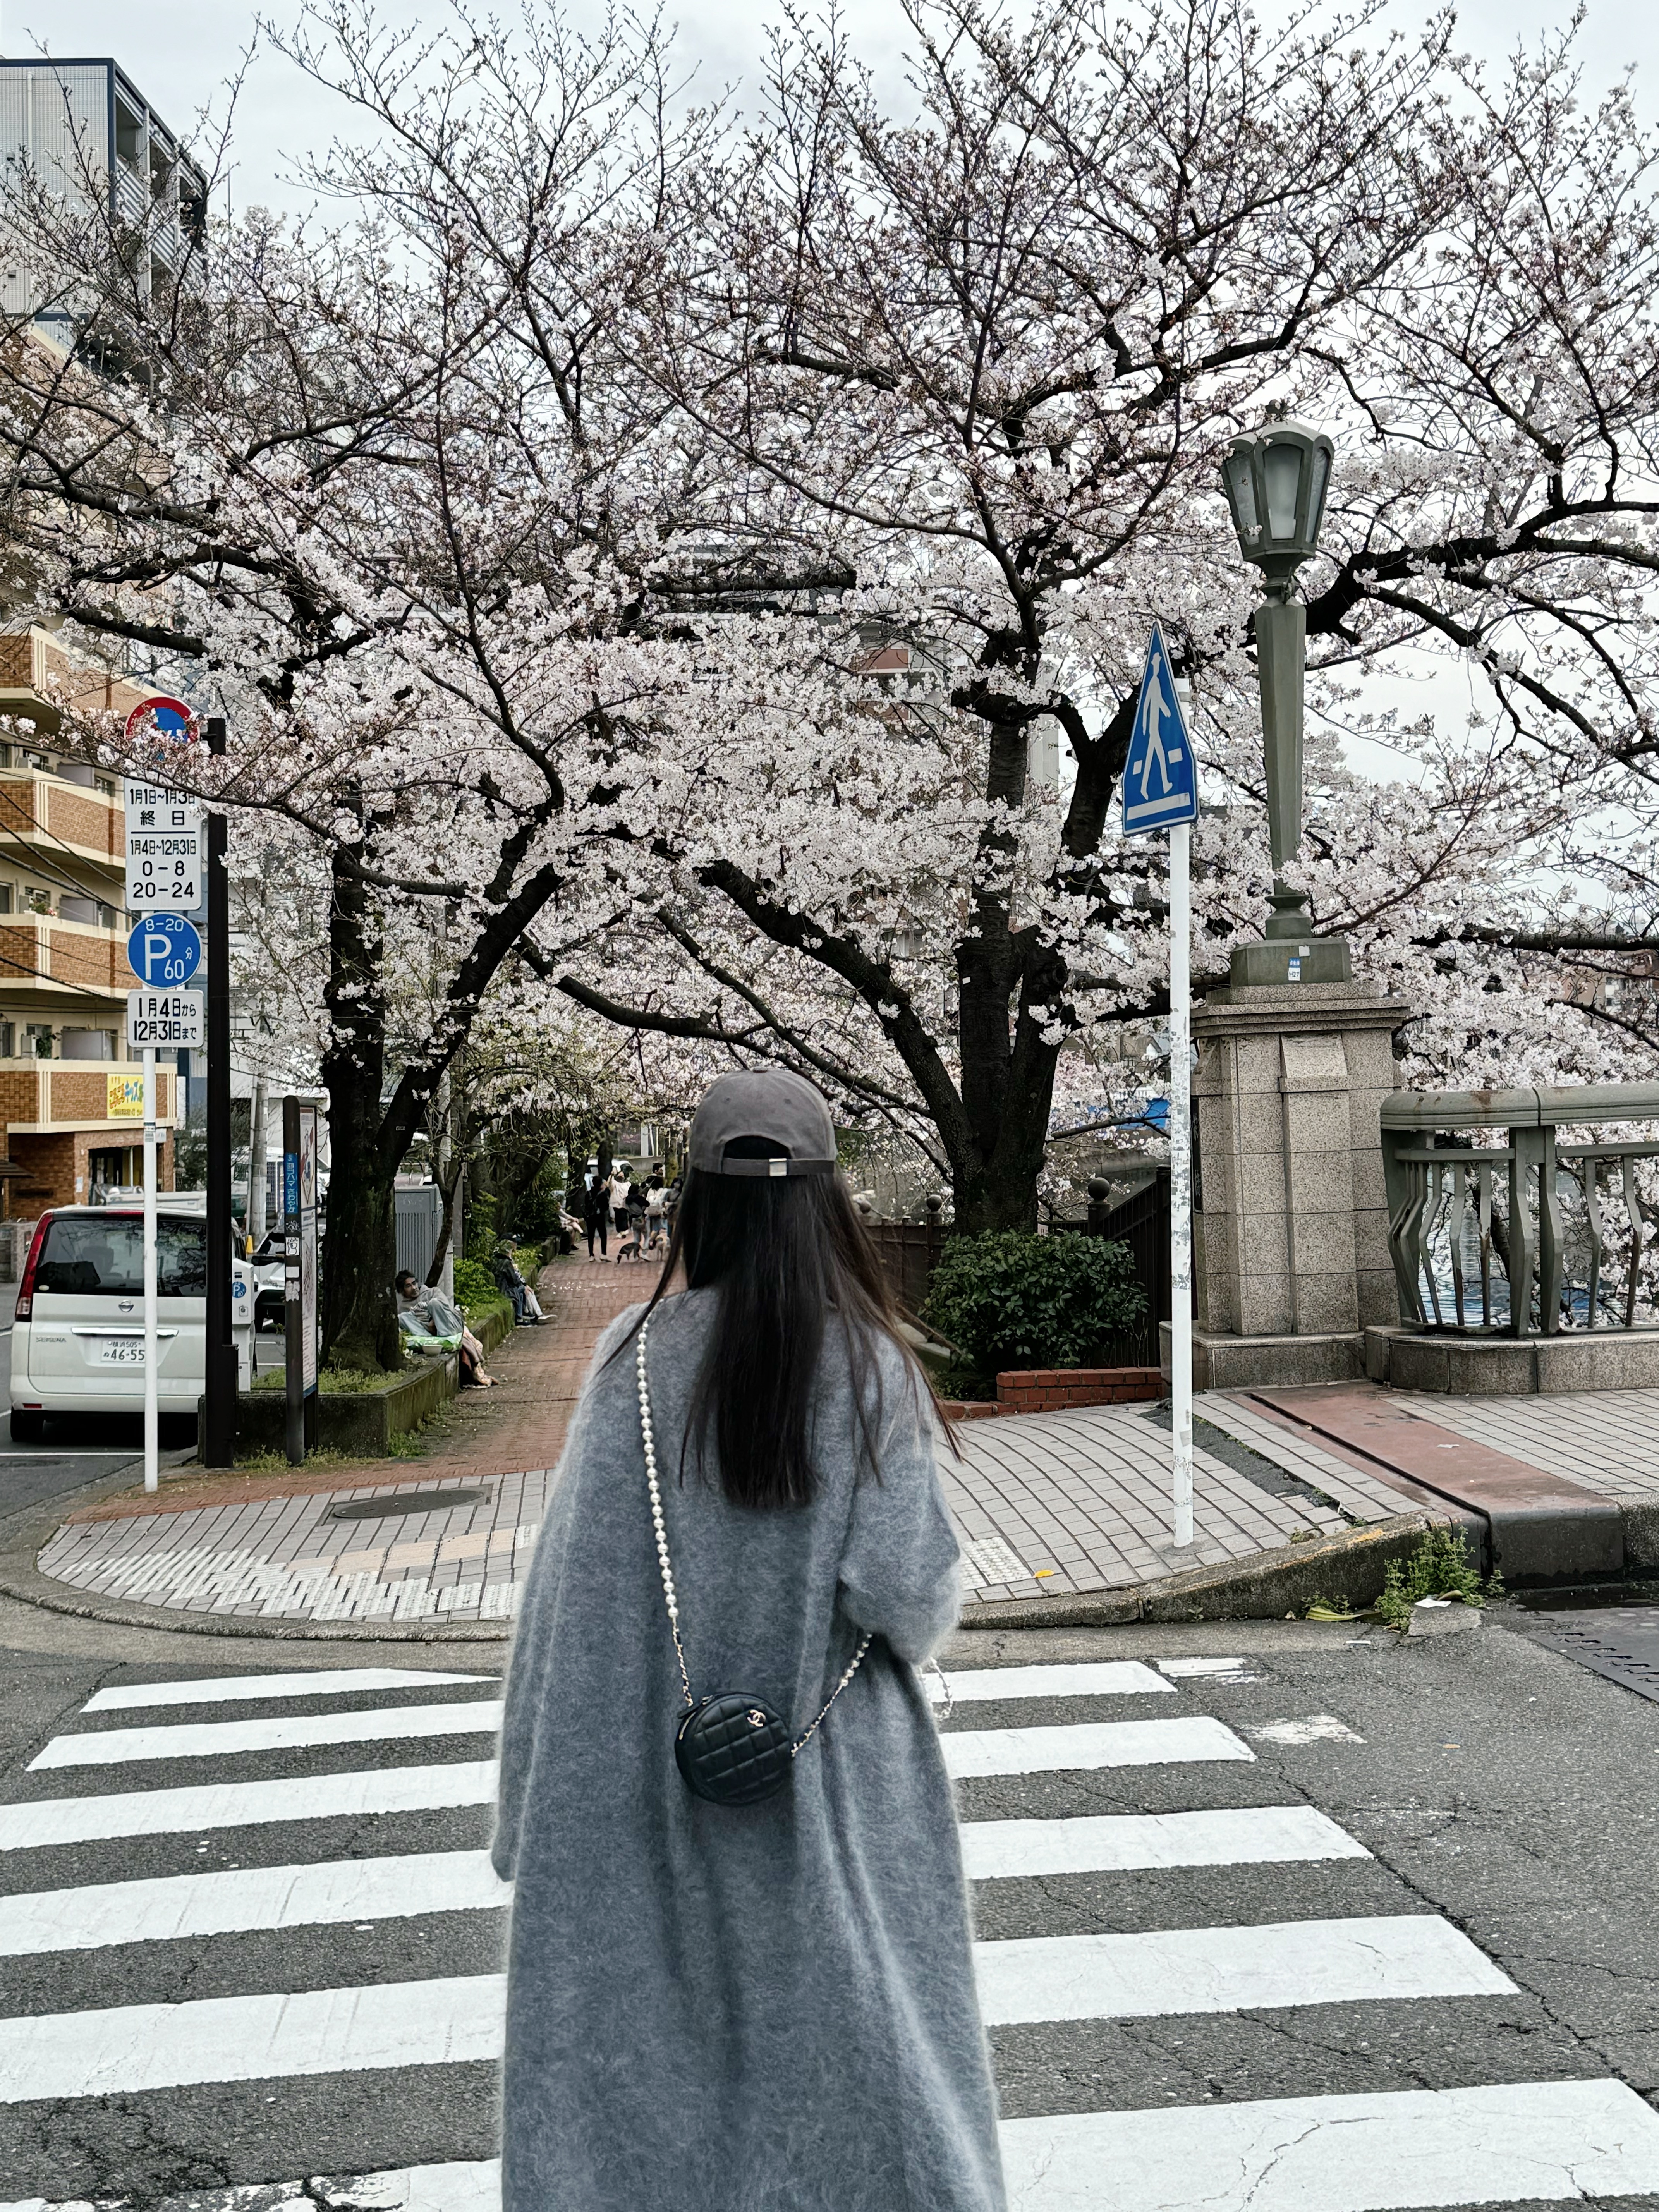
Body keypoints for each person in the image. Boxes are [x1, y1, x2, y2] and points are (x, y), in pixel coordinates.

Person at [495, 1070, 1005, 2212]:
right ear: (827, 1205)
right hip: (835, 1807)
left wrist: (520, 1806)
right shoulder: (868, 1363)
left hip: (646, 1806)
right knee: (867, 2094)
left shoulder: (630, 1355)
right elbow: (909, 1600)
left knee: (651, 2102)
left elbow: (560, 1600)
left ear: (697, 1204)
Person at [394, 1270, 494, 1387]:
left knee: (434, 1303)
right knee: (401, 1318)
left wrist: (434, 1321)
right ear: (401, 1291)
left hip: (449, 1326)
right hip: (428, 1333)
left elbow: (447, 1310)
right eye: (408, 1286)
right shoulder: (403, 1308)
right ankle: (433, 1343)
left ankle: (445, 1339)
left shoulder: (432, 1292)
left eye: (414, 1283)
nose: (414, 1288)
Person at [581, 1174, 609, 1260]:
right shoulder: (603, 1194)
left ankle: (591, 1255)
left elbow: (586, 1205)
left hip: (590, 1218)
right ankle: (603, 1254)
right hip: (600, 1217)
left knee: (591, 1236)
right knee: (603, 1235)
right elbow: (606, 1207)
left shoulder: (589, 1193)